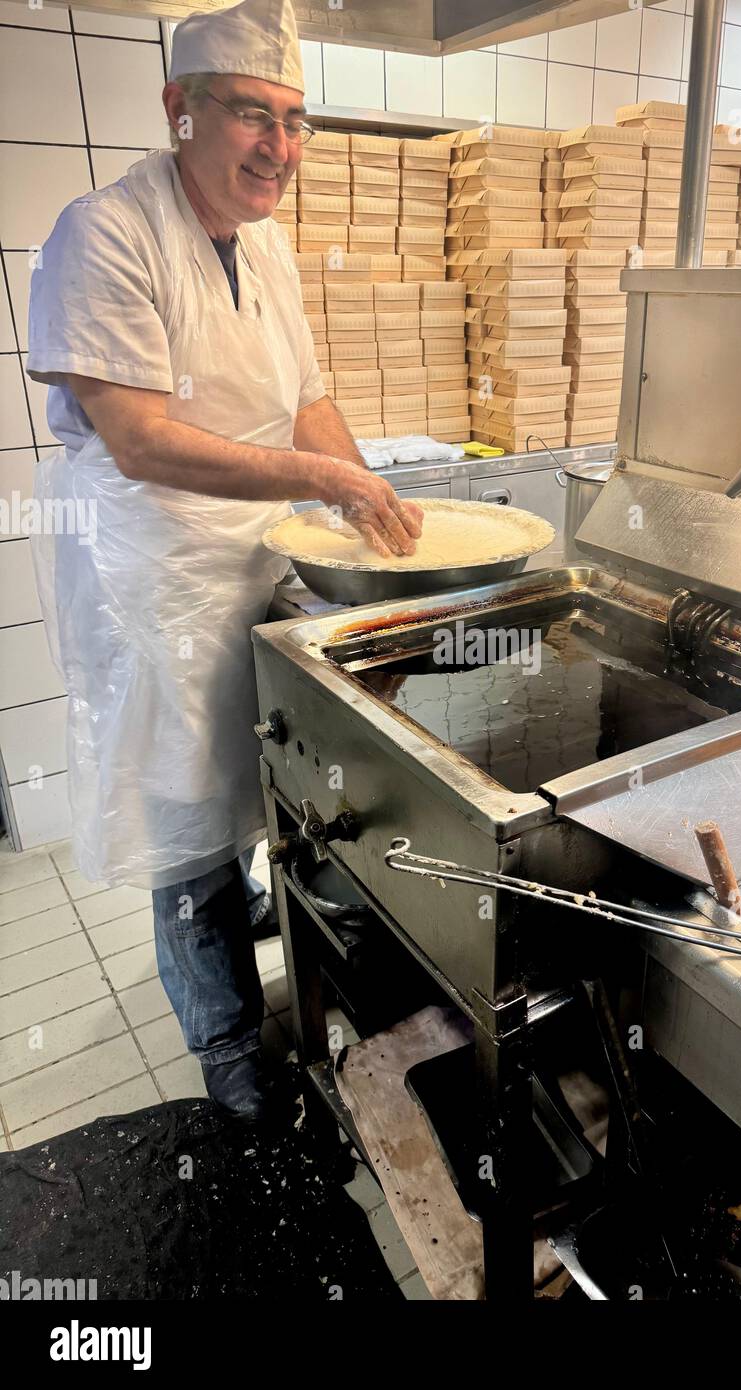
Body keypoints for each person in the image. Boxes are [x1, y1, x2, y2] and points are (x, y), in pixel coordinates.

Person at [26, 0, 422, 1122]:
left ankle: (264, 904)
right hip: (148, 573)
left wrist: (370, 504)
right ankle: (229, 1046)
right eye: (252, 115)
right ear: (179, 110)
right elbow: (142, 439)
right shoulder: (101, 232)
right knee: (182, 815)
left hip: (250, 553)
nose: (279, 148)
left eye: (295, 121)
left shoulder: (268, 245)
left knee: (270, 762)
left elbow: (306, 402)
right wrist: (326, 483)